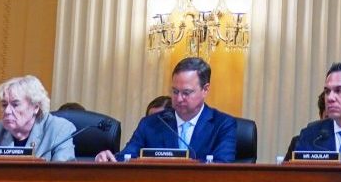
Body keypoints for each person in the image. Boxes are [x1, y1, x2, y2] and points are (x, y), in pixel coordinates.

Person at [101, 55, 238, 162]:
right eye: (175, 91)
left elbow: (222, 168)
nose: (178, 99)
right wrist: (107, 159)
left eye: (186, 93)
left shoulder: (223, 125)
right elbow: (126, 158)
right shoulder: (151, 124)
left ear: (205, 89)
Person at [0, 75, 77, 161]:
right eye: (4, 105)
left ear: (36, 107)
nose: (7, 111)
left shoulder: (59, 130)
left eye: (15, 104)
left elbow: (63, 174)